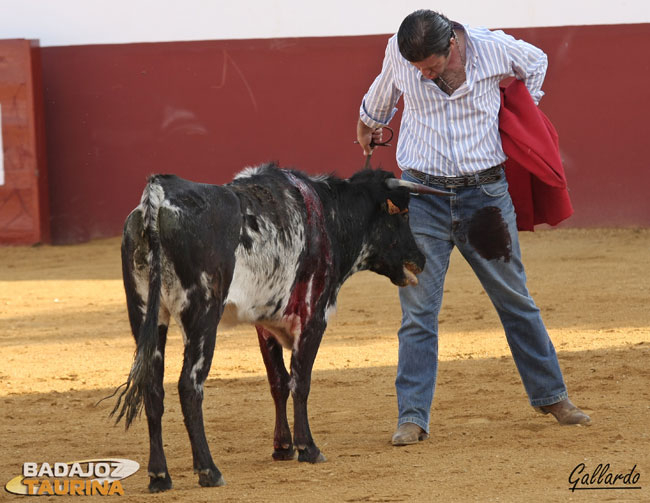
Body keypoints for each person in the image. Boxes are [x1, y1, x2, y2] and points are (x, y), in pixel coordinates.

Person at [355, 9, 591, 446]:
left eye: (431, 65)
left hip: (484, 198)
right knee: (418, 311)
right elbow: (383, 92)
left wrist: (521, 108)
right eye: (417, 67)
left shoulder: (492, 48)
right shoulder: (400, 53)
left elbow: (536, 62)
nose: (423, 74)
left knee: (515, 299)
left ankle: (552, 396)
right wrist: (369, 123)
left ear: (453, 47)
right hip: (422, 196)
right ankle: (412, 416)